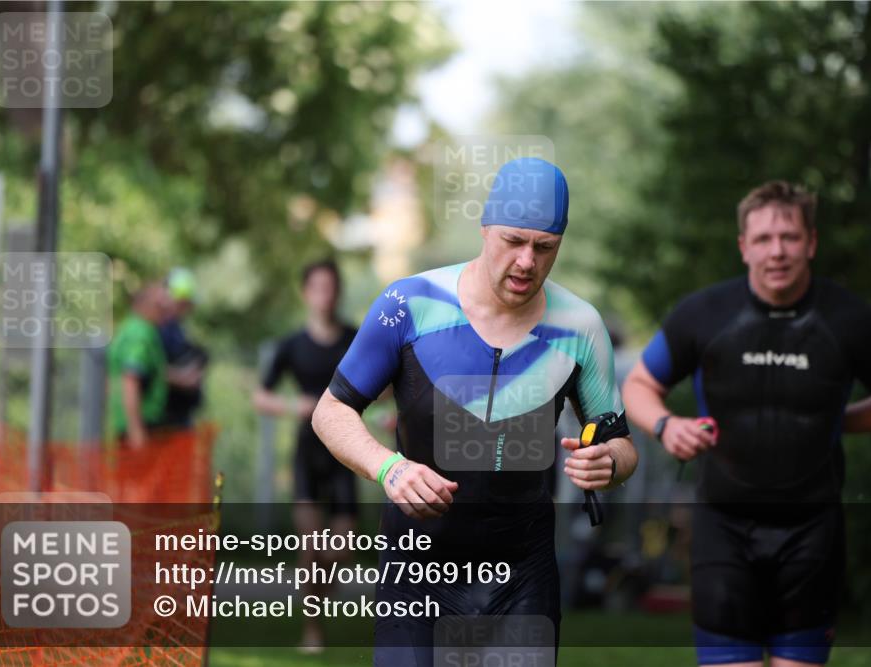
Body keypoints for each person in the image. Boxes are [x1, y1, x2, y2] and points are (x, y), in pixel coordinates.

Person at [312, 158, 638, 667]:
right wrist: (388, 468)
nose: (527, 261)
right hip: (417, 569)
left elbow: (619, 444)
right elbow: (331, 411)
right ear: (485, 229)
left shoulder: (580, 326)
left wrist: (609, 463)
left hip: (521, 571)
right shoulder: (409, 304)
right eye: (513, 240)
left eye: (545, 247)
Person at [622, 180, 871, 667]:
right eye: (763, 239)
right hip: (722, 528)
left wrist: (838, 421)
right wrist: (665, 426)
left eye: (789, 237)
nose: (777, 251)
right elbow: (638, 384)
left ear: (811, 242)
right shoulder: (703, 314)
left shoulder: (849, 319)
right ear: (744, 247)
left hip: (812, 532)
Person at [253, 259, 358, 652]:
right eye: (317, 287)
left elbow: (385, 383)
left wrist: (380, 405)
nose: (324, 296)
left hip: (346, 448)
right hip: (307, 452)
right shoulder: (291, 345)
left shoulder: (355, 339)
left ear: (338, 292)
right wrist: (292, 405)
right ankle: (312, 631)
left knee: (342, 549)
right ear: (306, 293)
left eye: (331, 287)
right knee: (309, 547)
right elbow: (261, 396)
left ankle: (318, 594)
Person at [107, 283, 171, 449]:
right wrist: (136, 432)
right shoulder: (140, 334)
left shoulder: (132, 328)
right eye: (161, 305)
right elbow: (130, 380)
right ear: (146, 305)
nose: (166, 311)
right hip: (137, 428)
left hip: (125, 425)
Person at [158, 268, 207, 428]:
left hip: (179, 413)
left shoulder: (177, 328)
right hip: (162, 415)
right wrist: (180, 378)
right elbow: (148, 367)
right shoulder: (157, 328)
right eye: (184, 304)